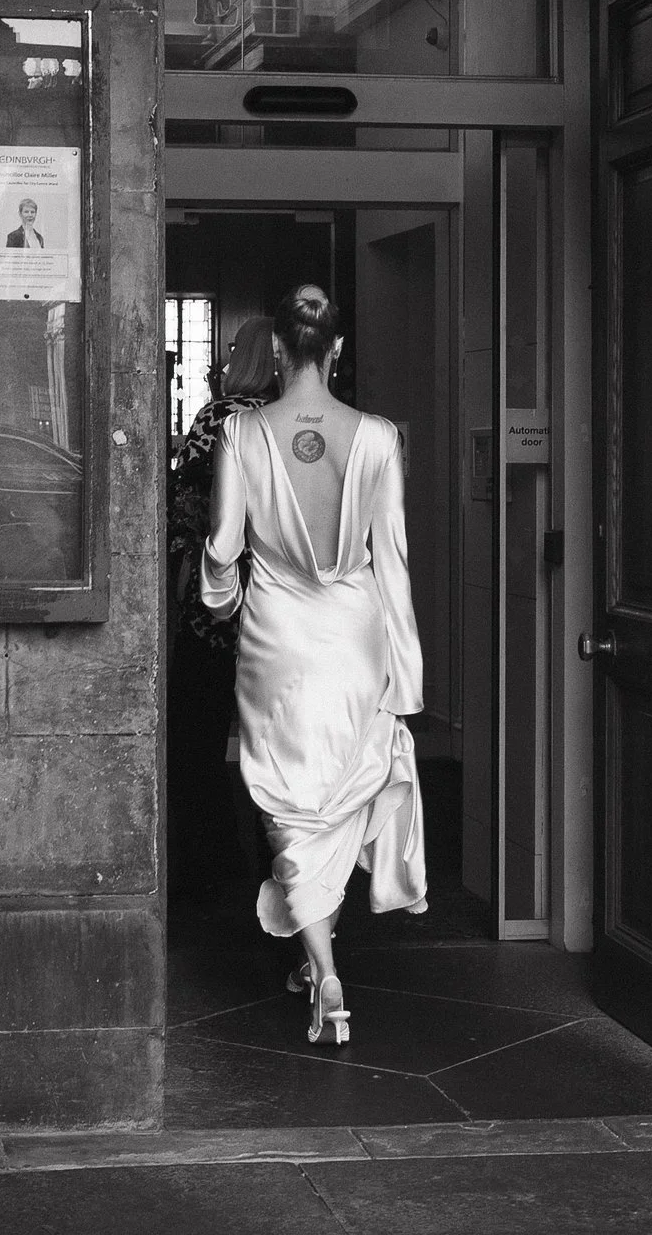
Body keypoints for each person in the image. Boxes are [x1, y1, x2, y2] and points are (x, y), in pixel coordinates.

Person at [200, 284, 427, 1047]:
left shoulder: (242, 433)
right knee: (334, 796)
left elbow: (226, 547)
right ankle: (322, 962)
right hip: (354, 636)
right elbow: (391, 563)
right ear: (336, 351)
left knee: (287, 806)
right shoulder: (377, 436)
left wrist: (220, 596)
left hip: (278, 638)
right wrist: (407, 674)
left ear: (281, 355)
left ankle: (324, 971)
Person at [166, 316, 281, 897]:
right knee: (278, 747)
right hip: (277, 605)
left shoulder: (218, 418)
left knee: (198, 736)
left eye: (235, 347)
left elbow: (184, 501)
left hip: (218, 601)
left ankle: (207, 867)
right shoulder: (288, 424)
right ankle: (279, 871)